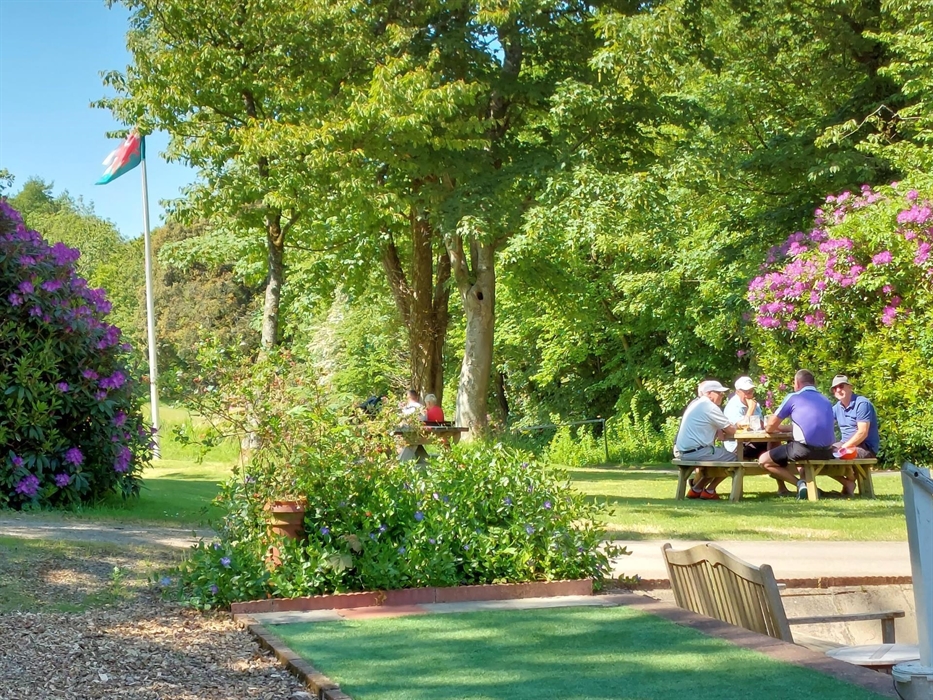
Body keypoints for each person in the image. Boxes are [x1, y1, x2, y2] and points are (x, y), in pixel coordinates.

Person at [758, 369, 835, 501]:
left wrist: (772, 427)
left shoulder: (794, 397)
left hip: (804, 449)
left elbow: (770, 427)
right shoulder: (826, 400)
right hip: (828, 451)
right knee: (796, 453)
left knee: (764, 460)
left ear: (797, 383)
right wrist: (782, 428)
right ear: (814, 383)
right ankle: (807, 486)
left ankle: (800, 484)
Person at [723, 376, 790, 495]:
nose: (750, 394)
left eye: (751, 391)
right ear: (738, 392)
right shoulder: (733, 406)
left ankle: (782, 487)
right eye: (746, 391)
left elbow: (759, 424)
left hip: (754, 441)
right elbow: (741, 426)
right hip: (736, 445)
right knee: (772, 446)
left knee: (775, 445)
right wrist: (751, 409)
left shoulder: (755, 405)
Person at [674, 380, 737, 500]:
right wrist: (737, 426)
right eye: (719, 393)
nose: (722, 396)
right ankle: (710, 490)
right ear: (708, 393)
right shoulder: (710, 406)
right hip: (699, 451)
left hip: (684, 452)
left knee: (720, 459)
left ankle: (697, 489)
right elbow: (731, 431)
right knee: (736, 459)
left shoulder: (697, 404)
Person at [830, 374, 880, 497]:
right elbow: (824, 425)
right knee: (819, 454)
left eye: (841, 386)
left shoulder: (862, 404)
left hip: (865, 447)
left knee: (841, 454)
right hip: (846, 445)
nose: (838, 390)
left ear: (850, 387)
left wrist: (843, 447)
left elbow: (862, 433)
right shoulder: (836, 408)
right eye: (834, 388)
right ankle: (848, 482)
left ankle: (850, 481)